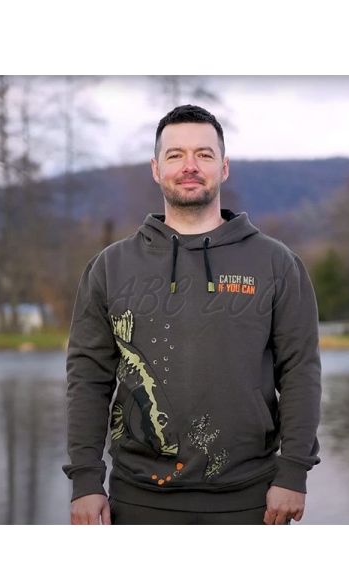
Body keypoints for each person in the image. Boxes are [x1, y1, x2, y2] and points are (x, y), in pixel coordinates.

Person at [62, 104, 321, 525]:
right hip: (137, 497)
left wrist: (294, 471)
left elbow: (300, 372)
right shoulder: (111, 267)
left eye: (203, 154)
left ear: (224, 167)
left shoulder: (276, 263)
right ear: (155, 168)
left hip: (251, 497)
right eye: (175, 155)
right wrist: (86, 481)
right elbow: (88, 379)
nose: (190, 166)